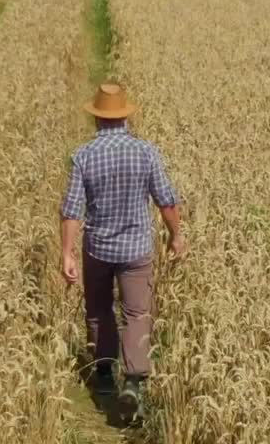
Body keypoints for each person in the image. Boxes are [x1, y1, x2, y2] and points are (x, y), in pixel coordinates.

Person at [60, 82, 187, 411]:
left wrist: (67, 253)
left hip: (98, 249)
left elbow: (72, 209)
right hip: (136, 249)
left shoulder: (84, 156)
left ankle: (103, 376)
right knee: (136, 312)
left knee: (100, 309)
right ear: (125, 117)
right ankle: (132, 382)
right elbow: (166, 201)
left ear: (98, 119)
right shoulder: (146, 151)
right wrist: (176, 236)